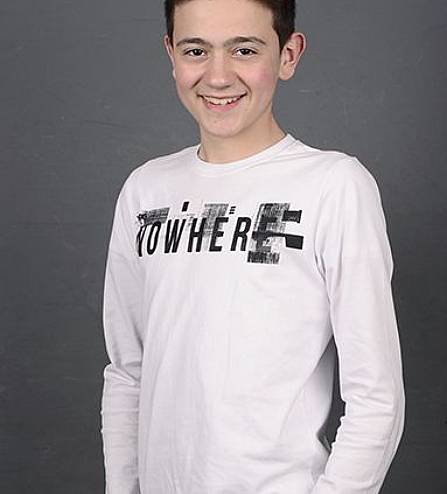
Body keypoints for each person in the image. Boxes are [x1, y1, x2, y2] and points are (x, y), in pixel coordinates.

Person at [99, 0, 406, 493]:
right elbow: (128, 373)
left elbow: (376, 397)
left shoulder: (334, 186)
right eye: (196, 50)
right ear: (171, 55)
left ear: (288, 55)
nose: (218, 76)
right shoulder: (146, 190)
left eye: (244, 50)